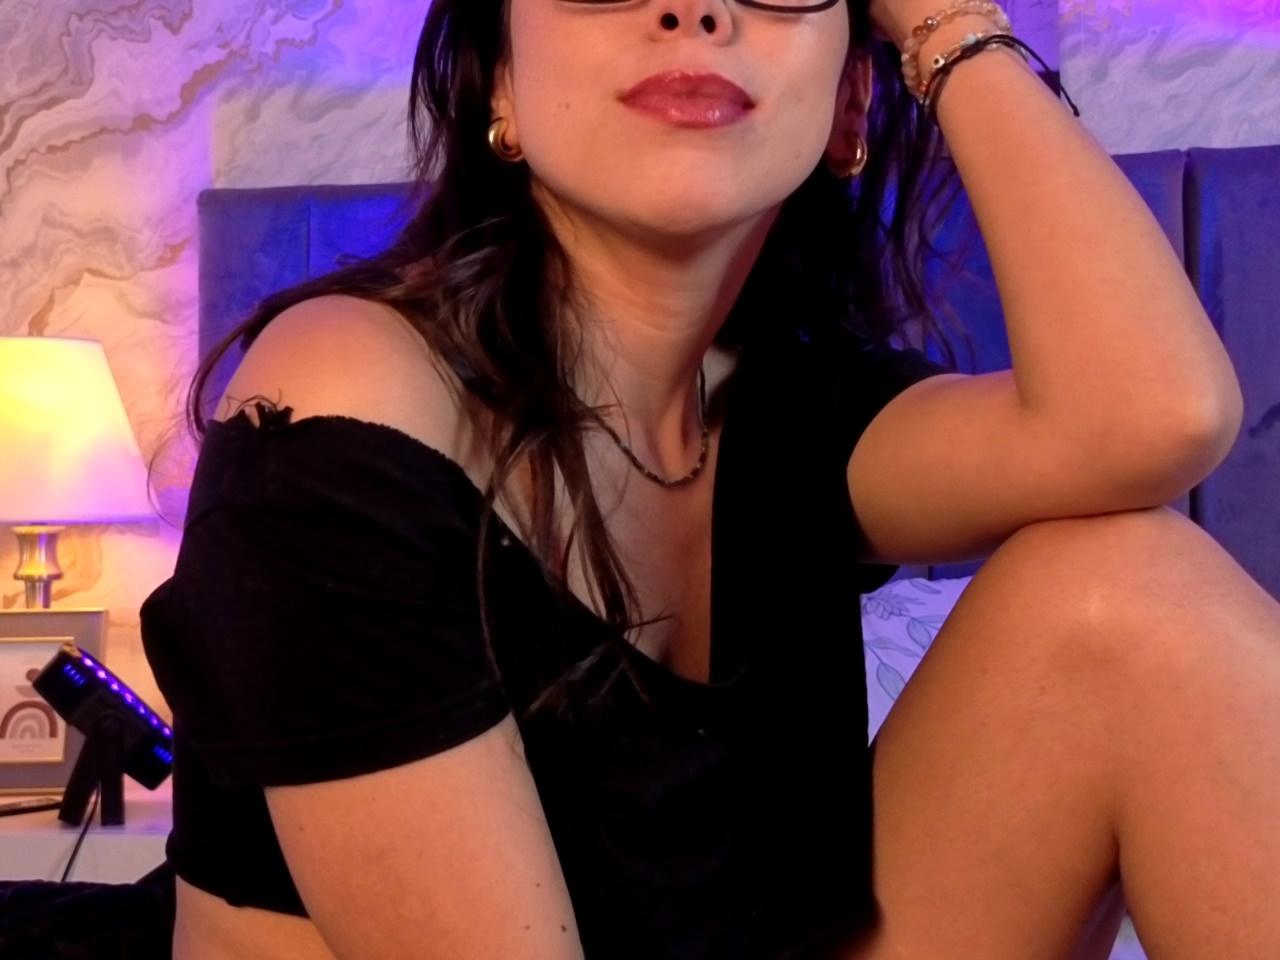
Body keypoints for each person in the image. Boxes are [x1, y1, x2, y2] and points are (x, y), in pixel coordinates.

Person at [138, 0, 1280, 958]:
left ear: (849, 108)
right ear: (500, 86)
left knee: (1129, 587)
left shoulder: (786, 408)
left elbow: (1156, 418)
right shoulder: (345, 397)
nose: (692, 7)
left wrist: (951, 27)